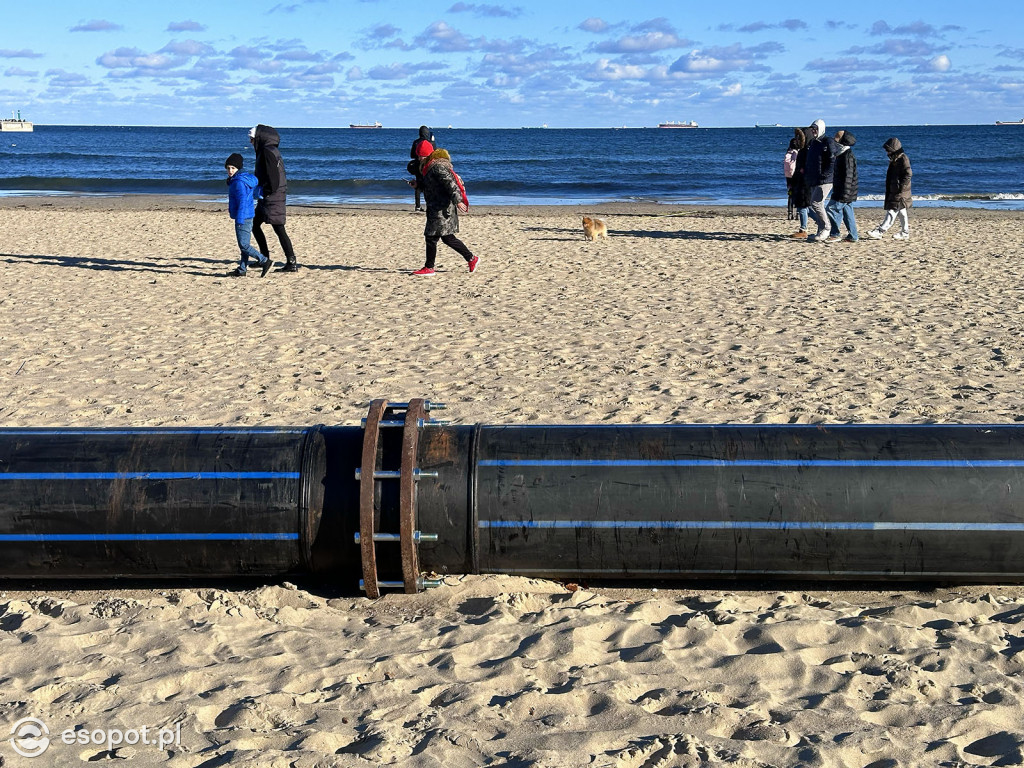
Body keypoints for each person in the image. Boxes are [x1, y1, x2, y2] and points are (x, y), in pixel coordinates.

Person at [412, 148, 479, 277]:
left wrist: (458, 201)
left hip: (442, 209)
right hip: (437, 207)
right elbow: (432, 186)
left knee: (431, 237)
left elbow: (451, 184)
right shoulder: (430, 167)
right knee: (447, 238)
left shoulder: (437, 167)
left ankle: (429, 267)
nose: (419, 159)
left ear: (427, 155)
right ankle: (471, 258)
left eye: (420, 156)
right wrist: (418, 185)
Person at [249, 124, 298, 272]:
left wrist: (266, 192)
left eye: (252, 139)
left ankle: (290, 262)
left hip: (272, 197)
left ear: (259, 138)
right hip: (271, 196)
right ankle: (264, 258)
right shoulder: (270, 150)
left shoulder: (267, 152)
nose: (251, 142)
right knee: (255, 224)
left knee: (278, 228)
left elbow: (274, 177)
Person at [224, 153, 273, 277]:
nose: (230, 171)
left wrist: (239, 219)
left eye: (233, 168)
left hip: (244, 216)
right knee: (244, 244)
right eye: (228, 168)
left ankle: (264, 261)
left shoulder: (239, 182)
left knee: (244, 245)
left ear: (238, 169)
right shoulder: (241, 179)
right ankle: (242, 269)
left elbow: (242, 201)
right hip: (248, 215)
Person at [866, 137, 912, 241]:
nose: (887, 152)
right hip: (896, 189)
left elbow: (908, 174)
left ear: (893, 149)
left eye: (888, 150)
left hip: (900, 191)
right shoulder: (895, 159)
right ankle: (905, 232)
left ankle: (880, 231)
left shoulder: (903, 158)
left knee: (892, 210)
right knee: (901, 211)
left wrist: (901, 187)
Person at [803, 119, 839, 242]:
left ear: (821, 129)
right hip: (814, 178)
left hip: (825, 180)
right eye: (812, 128)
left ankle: (827, 228)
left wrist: (826, 174)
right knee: (814, 205)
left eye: (815, 128)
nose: (813, 130)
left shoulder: (827, 141)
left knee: (816, 203)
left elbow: (832, 159)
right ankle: (821, 229)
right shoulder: (813, 143)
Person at [825, 131, 858, 243]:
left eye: (837, 138)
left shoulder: (847, 156)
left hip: (844, 190)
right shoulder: (841, 154)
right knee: (847, 212)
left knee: (830, 209)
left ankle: (835, 233)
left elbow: (848, 176)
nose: (834, 140)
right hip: (843, 190)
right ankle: (853, 235)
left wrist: (845, 193)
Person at [786, 128, 810, 237]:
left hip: (803, 182)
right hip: (799, 180)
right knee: (802, 206)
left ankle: (804, 229)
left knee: (804, 206)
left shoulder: (804, 152)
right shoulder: (802, 152)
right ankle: (803, 227)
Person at [408, 126, 435, 211]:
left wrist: (418, 156)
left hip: (417, 165)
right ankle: (429, 205)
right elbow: (435, 153)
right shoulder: (430, 142)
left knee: (418, 186)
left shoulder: (416, 142)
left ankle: (418, 206)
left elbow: (412, 155)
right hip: (427, 165)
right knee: (429, 185)